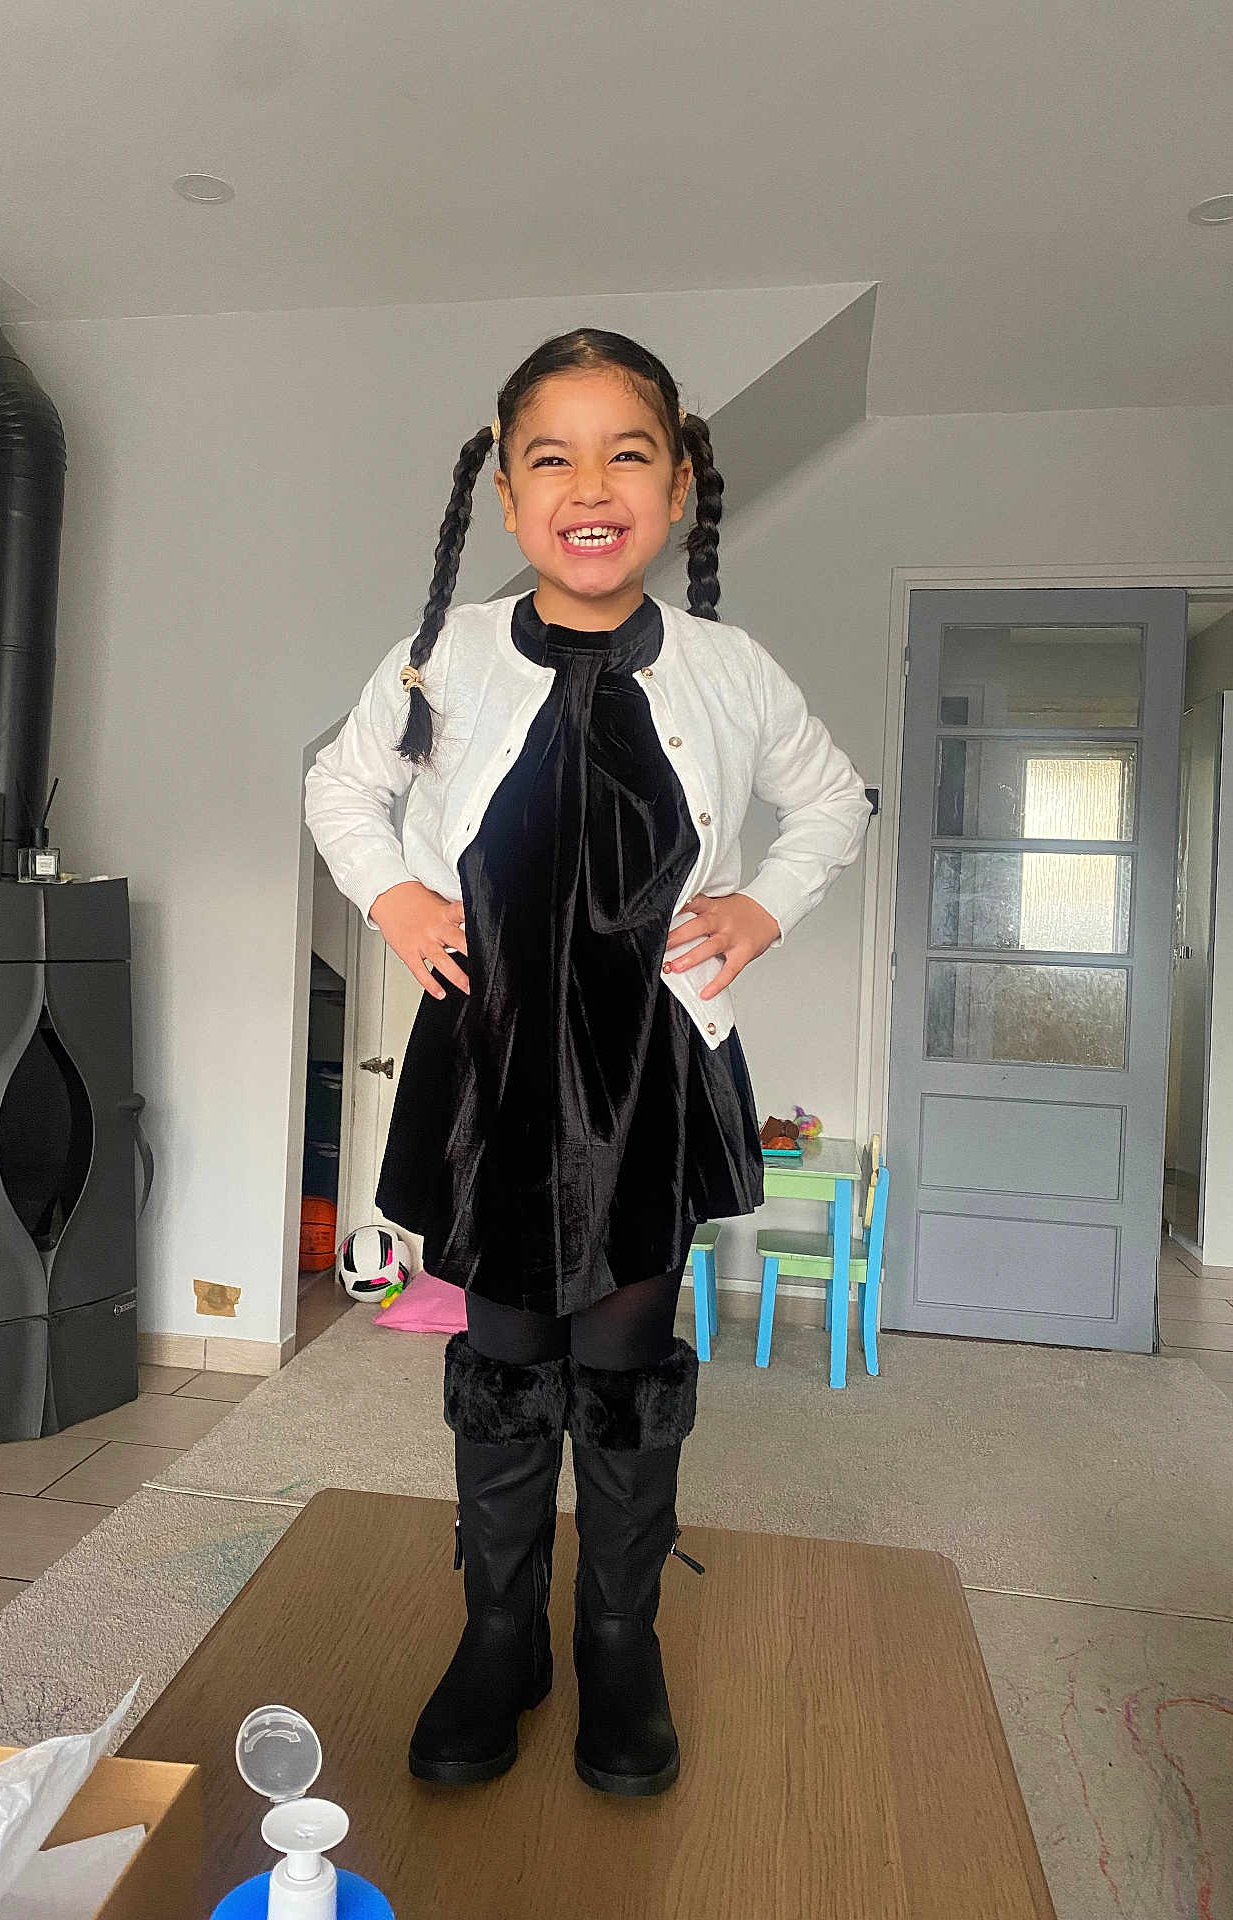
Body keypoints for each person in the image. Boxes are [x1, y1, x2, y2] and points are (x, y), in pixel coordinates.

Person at [303, 327, 872, 1799]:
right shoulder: (442, 659)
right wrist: (397, 895)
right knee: (504, 1357)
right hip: (494, 1070)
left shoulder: (733, 671)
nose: (589, 484)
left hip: (645, 1077)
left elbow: (833, 804)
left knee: (620, 1361)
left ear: (679, 487)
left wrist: (758, 906)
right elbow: (340, 784)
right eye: (549, 457)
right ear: (505, 497)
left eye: (629, 452)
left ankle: (621, 1635)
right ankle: (503, 1632)